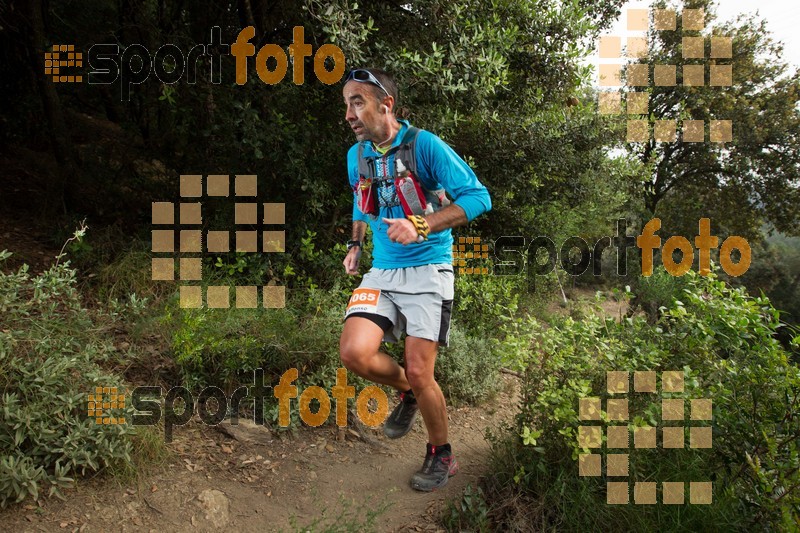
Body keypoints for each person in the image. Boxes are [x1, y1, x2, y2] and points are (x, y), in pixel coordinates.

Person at [339, 68, 491, 492]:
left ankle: (442, 454)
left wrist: (421, 225)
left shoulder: (425, 145)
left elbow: (479, 197)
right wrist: (354, 245)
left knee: (423, 372)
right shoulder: (358, 155)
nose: (350, 114)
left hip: (428, 269)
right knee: (354, 352)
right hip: (382, 270)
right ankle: (407, 390)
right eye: (346, 104)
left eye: (358, 102)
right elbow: (359, 200)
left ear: (385, 105)